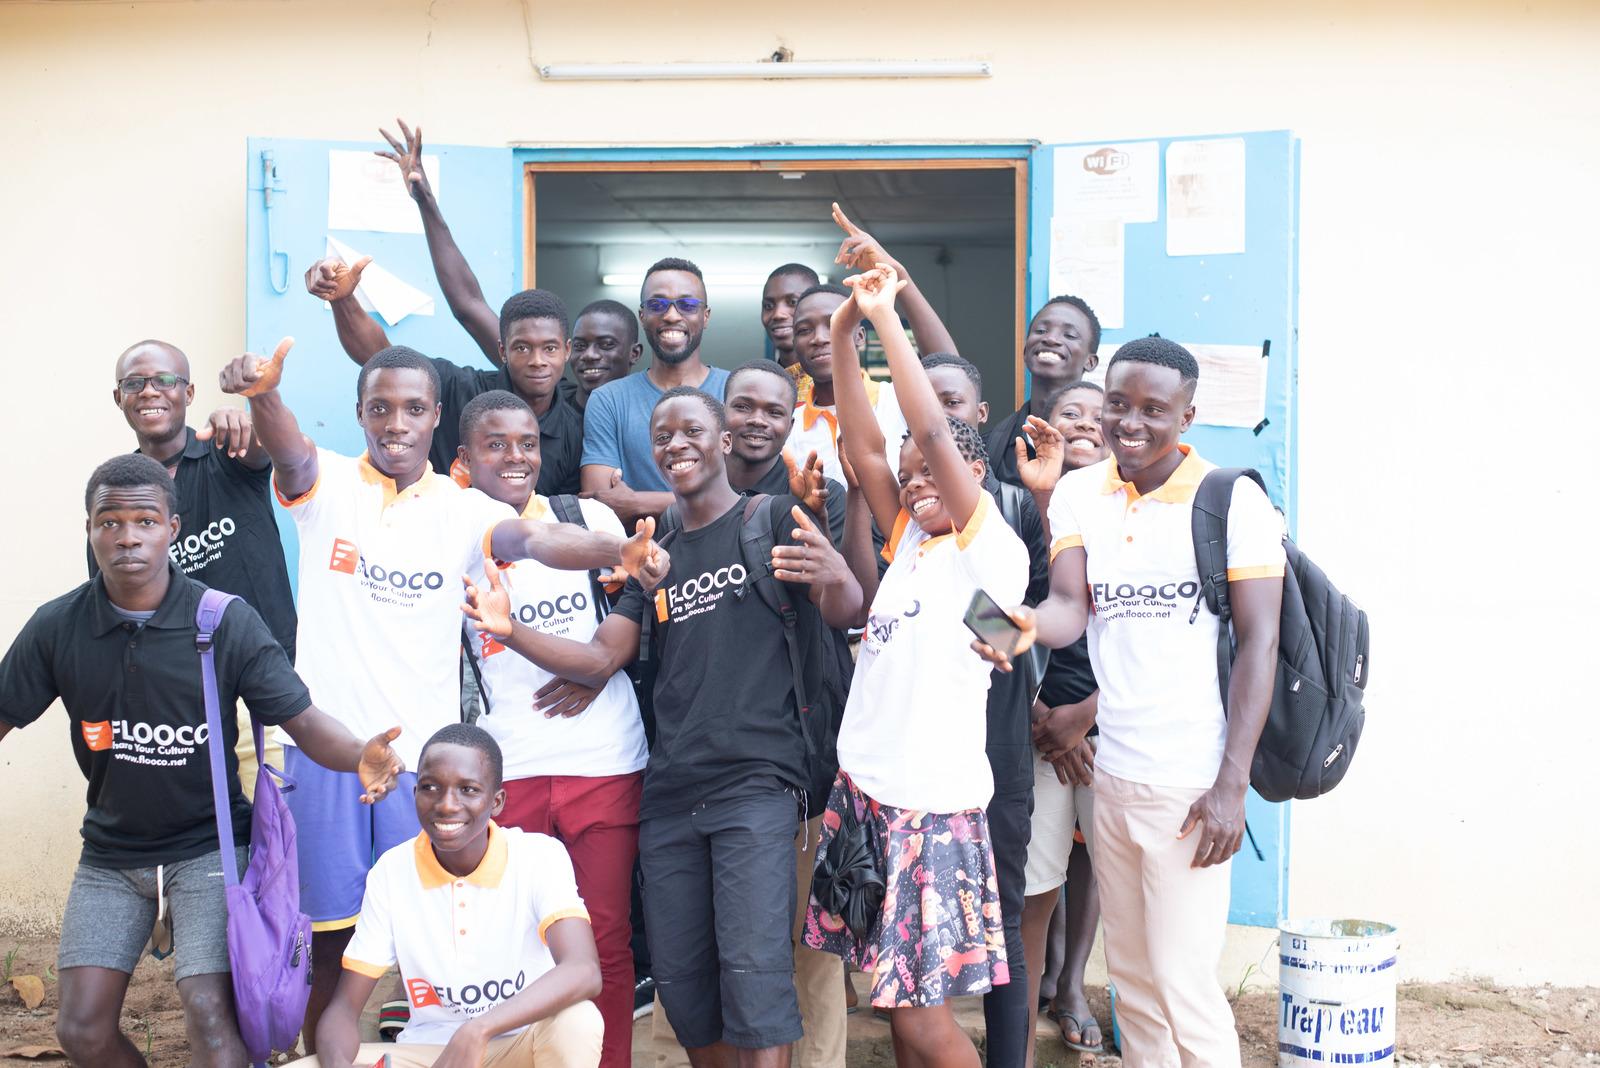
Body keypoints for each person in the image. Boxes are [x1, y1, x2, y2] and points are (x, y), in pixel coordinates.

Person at [218, 339, 662, 1050]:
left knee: (435, 936)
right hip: (330, 756)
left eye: (413, 408)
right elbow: (290, 453)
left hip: (425, 770)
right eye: (380, 408)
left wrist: (618, 552)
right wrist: (264, 394)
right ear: (360, 412)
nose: (396, 423)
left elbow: (535, 539)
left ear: (434, 419)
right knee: (331, 943)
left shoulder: (464, 509)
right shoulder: (327, 483)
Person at [470, 385, 862, 1067]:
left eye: (691, 431)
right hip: (672, 792)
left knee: (755, 978)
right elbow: (601, 658)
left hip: (757, 784)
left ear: (723, 441)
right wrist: (511, 631)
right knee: (684, 989)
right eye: (662, 436)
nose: (676, 445)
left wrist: (836, 573)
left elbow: (842, 610)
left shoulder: (770, 518)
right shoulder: (657, 554)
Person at [0, 453, 404, 1068]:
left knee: (212, 1019)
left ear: (172, 528)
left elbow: (302, 719)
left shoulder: (222, 620)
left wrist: (359, 756)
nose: (127, 536)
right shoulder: (58, 627)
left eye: (145, 521)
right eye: (110, 522)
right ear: (89, 529)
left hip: (209, 851)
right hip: (111, 855)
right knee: (81, 1031)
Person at [975, 338, 1286, 1068]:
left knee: (1184, 984)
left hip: (1191, 786)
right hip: (1114, 776)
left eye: (1154, 409)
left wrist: (1231, 786)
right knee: (1135, 983)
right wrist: (1015, 627)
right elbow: (1068, 607)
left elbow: (1260, 644)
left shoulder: (1231, 500)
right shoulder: (1081, 494)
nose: (1130, 422)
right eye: (1118, 404)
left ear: (1188, 415)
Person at [805, 264, 1027, 1068]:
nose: (914, 483)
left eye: (931, 475)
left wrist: (886, 316)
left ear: (973, 477)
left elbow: (931, 432)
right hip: (870, 795)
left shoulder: (988, 550)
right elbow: (867, 447)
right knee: (895, 1009)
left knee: (925, 1020)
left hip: (929, 811)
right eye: (908, 480)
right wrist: (842, 335)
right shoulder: (913, 549)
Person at [451, 389, 648, 1068]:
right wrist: (578, 659)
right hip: (508, 770)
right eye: (496, 445)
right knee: (514, 943)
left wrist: (596, 664)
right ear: (463, 461)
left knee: (605, 938)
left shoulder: (586, 516)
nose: (516, 457)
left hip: (604, 762)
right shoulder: (450, 533)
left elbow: (628, 625)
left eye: (528, 444)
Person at [291, 723, 605, 1068]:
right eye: (430, 787)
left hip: (520, 1047)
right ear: (414, 794)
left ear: (496, 801)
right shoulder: (391, 872)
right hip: (431, 1054)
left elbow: (583, 969)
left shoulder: (538, 856)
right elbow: (343, 1011)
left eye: (468, 789)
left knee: (579, 1021)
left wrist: (479, 1029)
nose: (446, 805)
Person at [916, 352, 1053, 1068]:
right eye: (924, 404)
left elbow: (1029, 619)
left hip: (994, 742)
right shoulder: (910, 518)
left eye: (950, 403)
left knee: (1001, 916)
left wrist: (971, 607)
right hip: (917, 752)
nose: (936, 418)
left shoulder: (1012, 507)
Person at [101, 339, 297, 799]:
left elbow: (268, 449)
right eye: (135, 383)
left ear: (188, 393)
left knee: (277, 827)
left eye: (165, 380)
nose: (150, 391)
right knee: (196, 833)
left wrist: (253, 412)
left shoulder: (228, 450)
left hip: (260, 689)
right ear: (119, 398)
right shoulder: (117, 492)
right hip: (174, 705)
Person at [307, 250, 585, 496]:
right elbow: (380, 357)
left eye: (550, 348)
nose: (537, 361)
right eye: (522, 348)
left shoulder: (574, 431)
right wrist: (343, 301)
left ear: (567, 350)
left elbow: (560, 512)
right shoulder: (459, 387)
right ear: (502, 350)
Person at [1013, 381, 1109, 1061]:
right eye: (1069, 412)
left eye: (1099, 415)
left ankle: (1073, 984)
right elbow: (977, 608)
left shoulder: (1130, 515)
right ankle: (1018, 1040)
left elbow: (1164, 638)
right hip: (1034, 730)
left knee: (1108, 870)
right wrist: (1038, 713)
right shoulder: (1008, 506)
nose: (1084, 424)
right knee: (1033, 891)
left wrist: (1085, 717)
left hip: (1111, 730)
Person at [785, 206, 958, 486]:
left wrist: (898, 273)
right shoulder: (788, 423)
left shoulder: (896, 400)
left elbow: (951, 371)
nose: (819, 337)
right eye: (804, 330)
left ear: (860, 336)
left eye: (835, 324)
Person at [580, 258, 731, 527]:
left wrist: (638, 503)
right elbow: (601, 507)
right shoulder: (608, 400)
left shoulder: (734, 391)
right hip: (638, 550)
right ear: (642, 316)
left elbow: (750, 497)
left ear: (705, 316)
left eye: (687, 305)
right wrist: (710, 498)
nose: (671, 315)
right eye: (657, 305)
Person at [984, 296, 1101, 489]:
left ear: (1090, 361)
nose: (1051, 339)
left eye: (1069, 335)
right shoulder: (991, 447)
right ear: (1025, 351)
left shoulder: (1105, 446)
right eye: (1041, 331)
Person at [570, 300, 645, 411]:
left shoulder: (652, 415)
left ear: (634, 353)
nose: (589, 355)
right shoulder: (550, 409)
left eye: (606, 344)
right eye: (579, 345)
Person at [760, 264, 820, 370]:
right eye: (768, 306)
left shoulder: (842, 376)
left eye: (793, 302)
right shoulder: (763, 378)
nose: (778, 314)